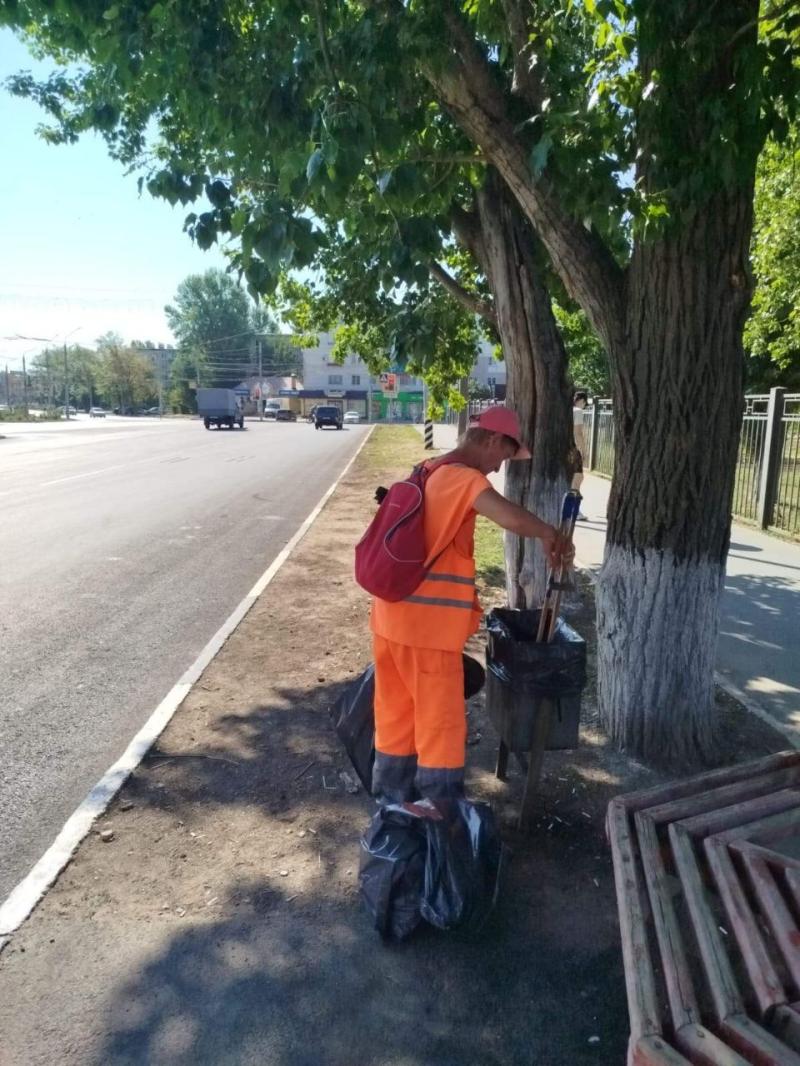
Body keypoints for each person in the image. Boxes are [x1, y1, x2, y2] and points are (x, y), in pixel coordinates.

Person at [369, 405, 573, 804]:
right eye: (503, 456)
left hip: (389, 618)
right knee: (439, 726)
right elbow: (508, 517)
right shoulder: (462, 477)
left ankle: (392, 806)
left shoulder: (427, 468)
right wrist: (550, 533)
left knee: (395, 717)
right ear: (492, 439)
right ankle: (439, 813)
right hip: (427, 631)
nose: (498, 468)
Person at [571, 390, 589, 521]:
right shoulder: (577, 411)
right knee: (578, 478)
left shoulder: (566, 410)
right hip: (573, 449)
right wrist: (583, 450)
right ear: (581, 401)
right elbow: (578, 433)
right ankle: (574, 510)